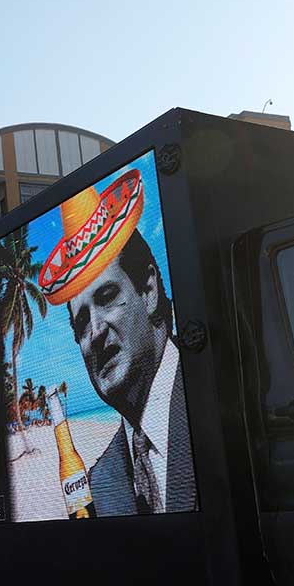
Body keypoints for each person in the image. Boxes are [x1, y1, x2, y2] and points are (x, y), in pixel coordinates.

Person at [37, 169, 195, 516]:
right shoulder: (101, 481)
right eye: (80, 323)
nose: (94, 332)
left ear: (149, 290)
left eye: (107, 297)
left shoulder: (212, 399)